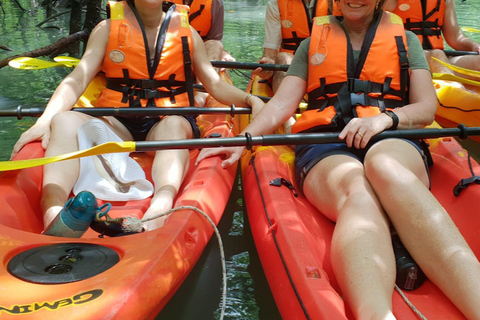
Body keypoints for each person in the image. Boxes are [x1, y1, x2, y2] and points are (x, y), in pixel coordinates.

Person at [197, 0, 480, 317]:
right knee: (356, 192)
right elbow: (281, 105)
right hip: (327, 144)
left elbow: (426, 108)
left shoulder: (406, 40)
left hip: (391, 137)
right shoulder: (311, 43)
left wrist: (384, 120)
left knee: (384, 165)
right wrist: (243, 138)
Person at [10, 0, 263, 233]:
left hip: (165, 123)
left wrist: (250, 99)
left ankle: (159, 208)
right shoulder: (106, 29)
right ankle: (54, 214)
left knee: (175, 124)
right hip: (118, 121)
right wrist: (44, 120)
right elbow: (77, 80)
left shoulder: (188, 33)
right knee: (63, 121)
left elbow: (214, 85)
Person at [386, 0, 480, 92]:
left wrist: (474, 46)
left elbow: (455, 38)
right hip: (404, 59)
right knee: (436, 56)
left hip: (439, 60)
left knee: (477, 61)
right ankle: (459, 94)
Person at [252, 0, 331, 93]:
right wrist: (267, 62)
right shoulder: (276, 3)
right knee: (283, 58)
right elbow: (270, 53)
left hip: (328, 58)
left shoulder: (338, 3)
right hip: (293, 61)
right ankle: (285, 102)